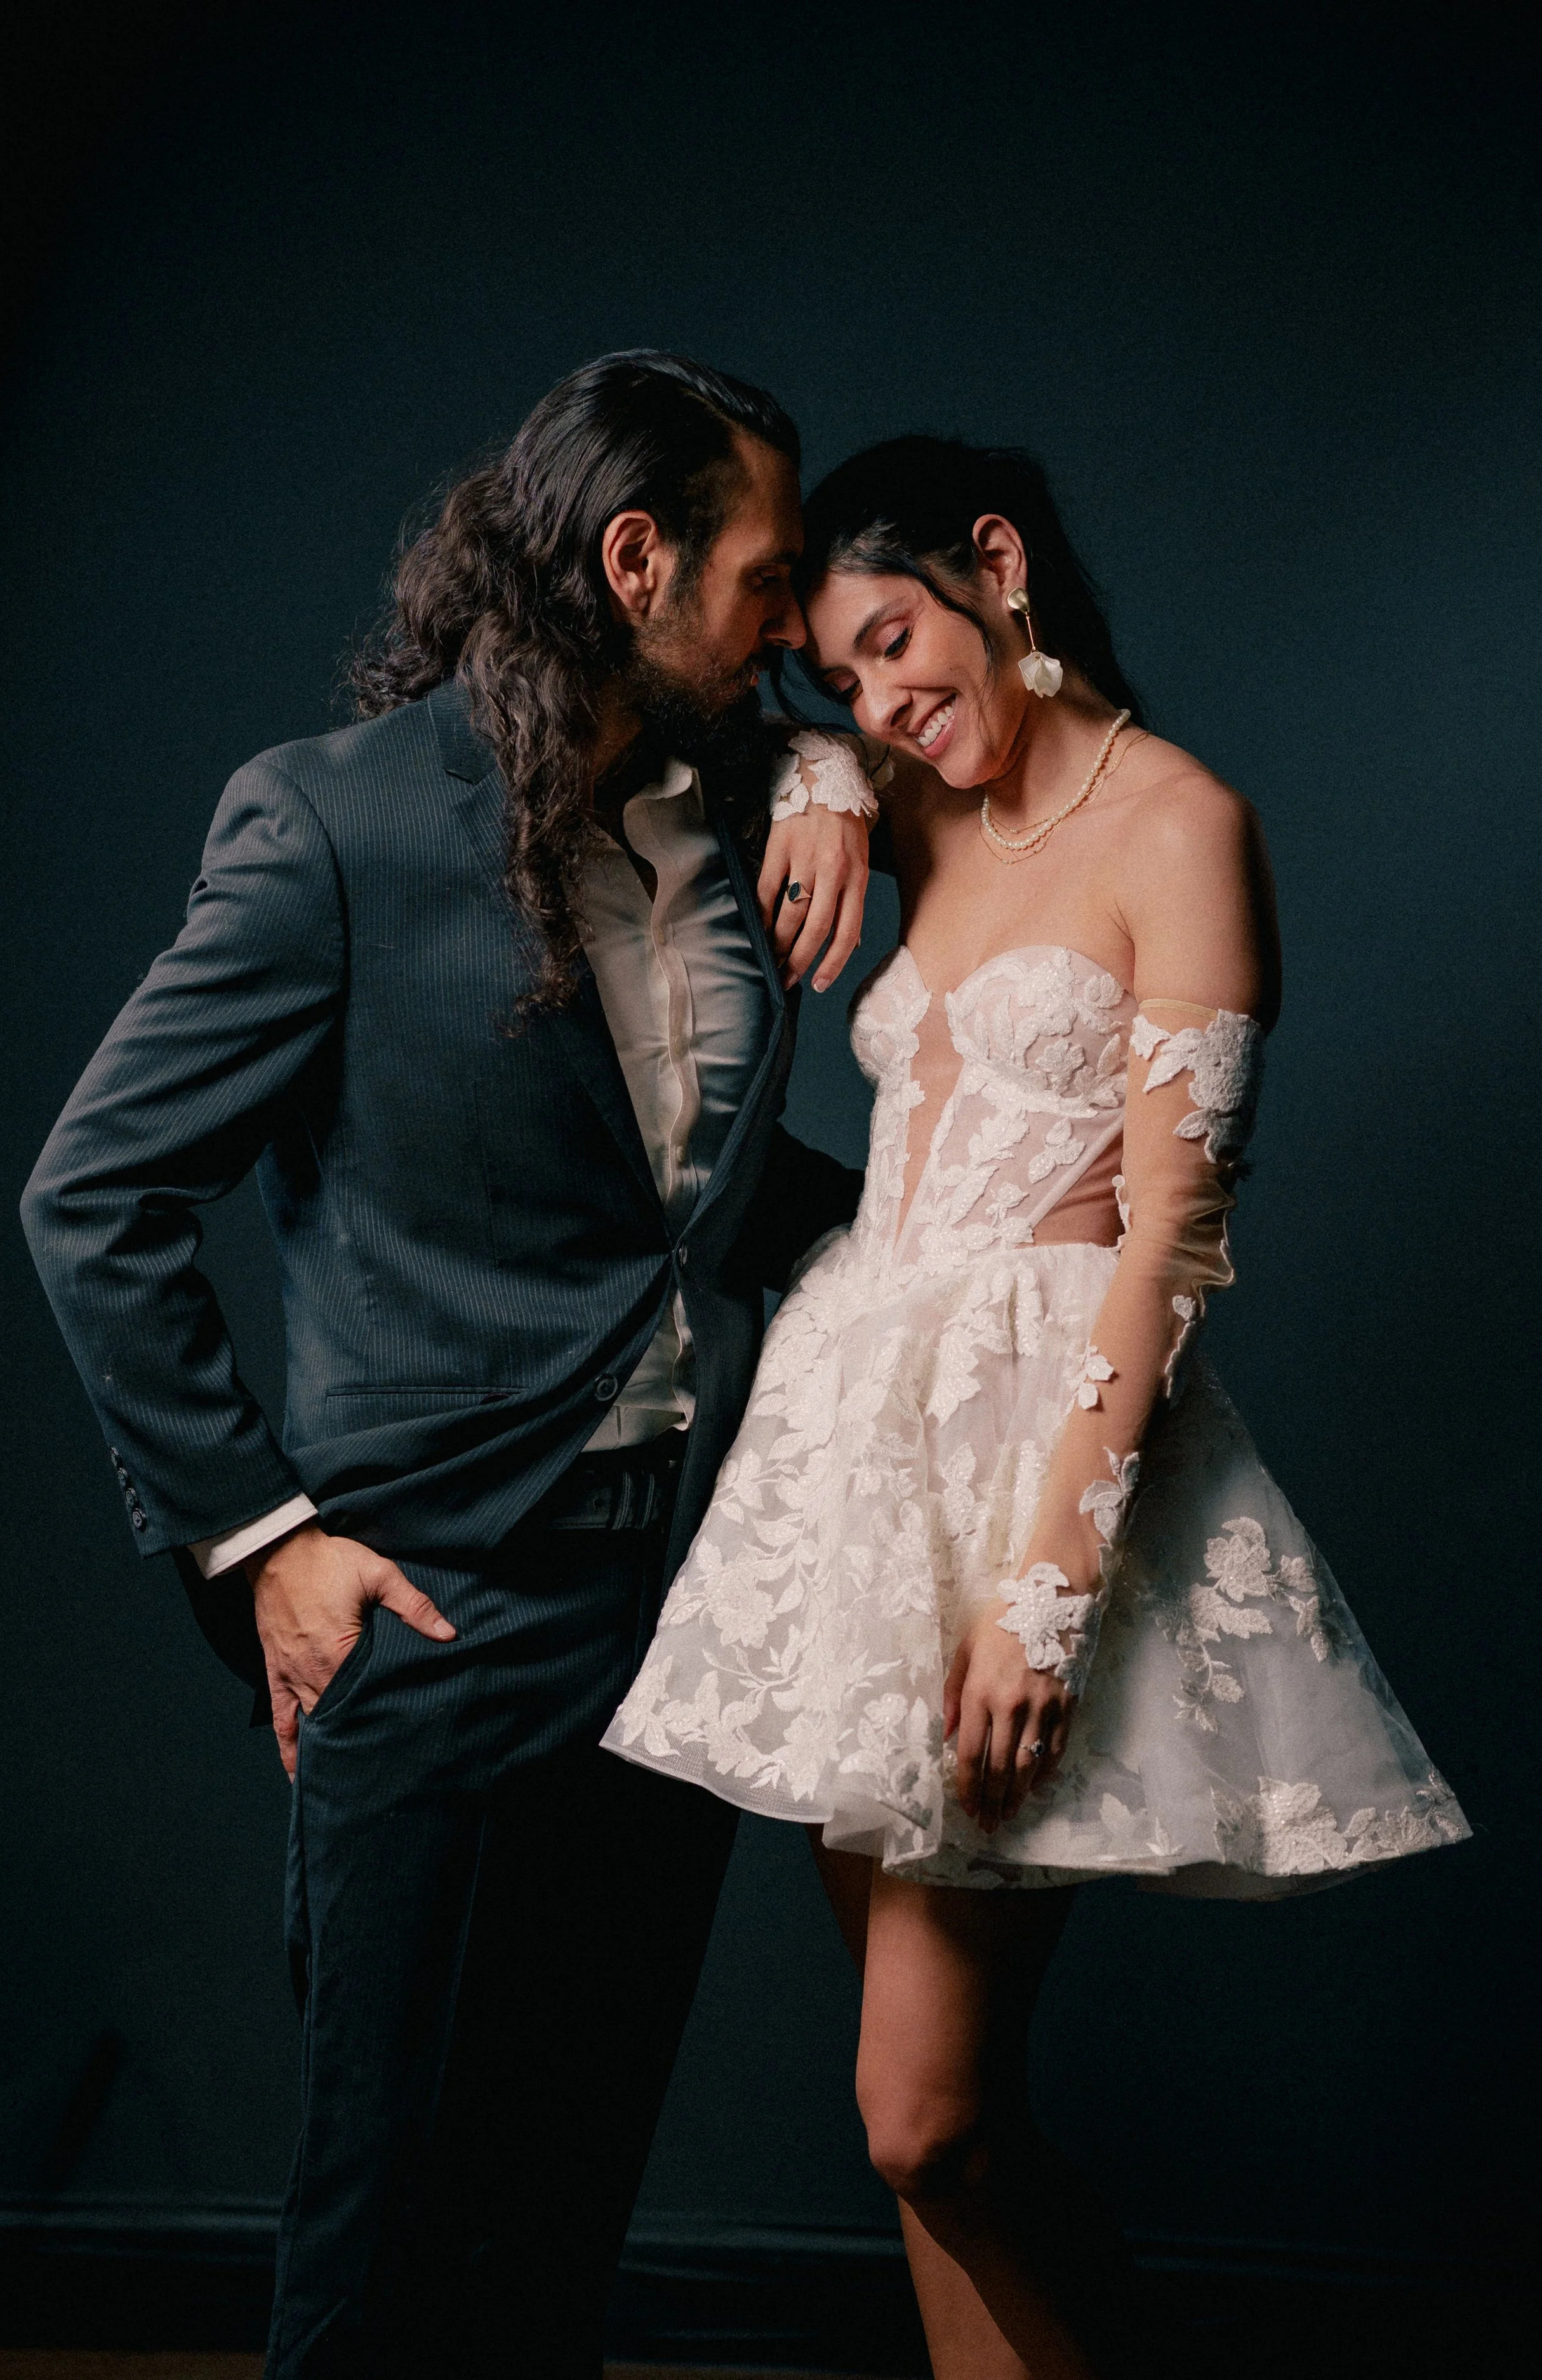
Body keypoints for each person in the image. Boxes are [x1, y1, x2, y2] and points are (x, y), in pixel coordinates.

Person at [19, 352, 881, 2379]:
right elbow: (94, 1194)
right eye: (767, 579)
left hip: (677, 1609)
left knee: (556, 2209)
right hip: (434, 1613)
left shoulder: (730, 800)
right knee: (385, 2222)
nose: (799, 623)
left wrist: (830, 767)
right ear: (635, 559)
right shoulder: (332, 823)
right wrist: (261, 1538)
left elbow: (684, 1198)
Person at [606, 435, 1470, 2380]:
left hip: (1033, 1467)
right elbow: (688, 730)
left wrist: (1049, 1589)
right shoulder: (912, 793)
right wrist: (822, 767)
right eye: (841, 675)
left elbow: (1170, 1238)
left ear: (995, 565)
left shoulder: (1180, 826)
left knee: (925, 2119)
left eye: (894, 644)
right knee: (935, 2141)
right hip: (855, 1453)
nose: (879, 700)